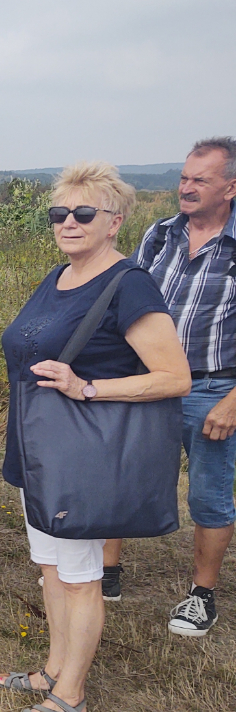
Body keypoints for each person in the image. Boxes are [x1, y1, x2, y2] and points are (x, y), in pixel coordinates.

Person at [0, 162, 189, 712]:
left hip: (82, 457)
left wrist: (89, 387)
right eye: (60, 214)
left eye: (84, 213)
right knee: (52, 566)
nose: (69, 223)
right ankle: (54, 669)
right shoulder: (58, 276)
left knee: (79, 576)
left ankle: (71, 696)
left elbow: (174, 375)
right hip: (40, 449)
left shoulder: (129, 284)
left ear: (115, 222)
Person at [103, 137, 236, 634]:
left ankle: (202, 594)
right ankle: (106, 572)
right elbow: (125, 298)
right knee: (118, 474)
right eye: (184, 177)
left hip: (211, 389)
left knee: (209, 495)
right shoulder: (160, 236)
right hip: (149, 381)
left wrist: (233, 401)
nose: (186, 187)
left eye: (200, 180)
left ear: (231, 187)